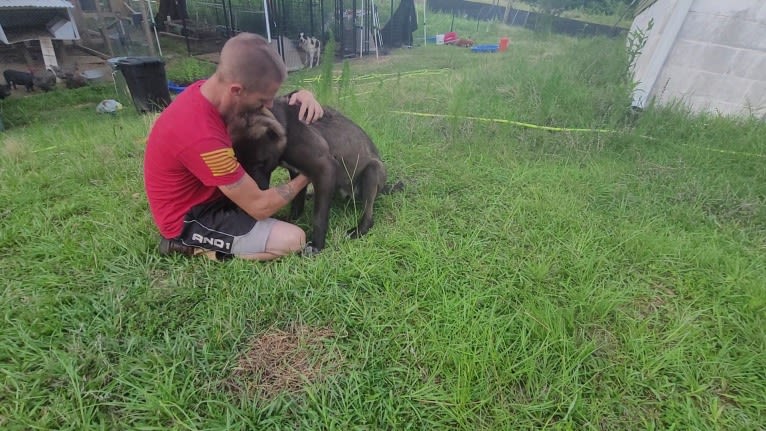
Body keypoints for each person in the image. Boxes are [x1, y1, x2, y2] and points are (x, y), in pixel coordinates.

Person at [144, 33, 324, 261]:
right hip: (191, 217)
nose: (269, 106)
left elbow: (265, 102)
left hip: (214, 193)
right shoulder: (202, 136)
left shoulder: (213, 95)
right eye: (262, 100)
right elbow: (260, 207)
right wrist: (308, 174)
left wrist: (301, 95)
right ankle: (188, 246)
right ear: (237, 90)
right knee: (294, 239)